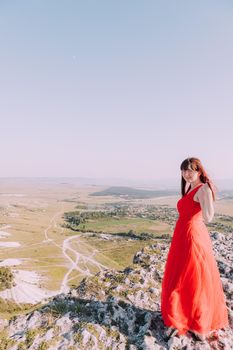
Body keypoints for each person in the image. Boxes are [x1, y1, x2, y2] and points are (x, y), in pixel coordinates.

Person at [161, 157, 229, 341]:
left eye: (190, 170)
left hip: (193, 236)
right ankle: (184, 315)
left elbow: (208, 217)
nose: (186, 174)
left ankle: (198, 322)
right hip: (183, 235)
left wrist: (208, 195)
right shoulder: (189, 186)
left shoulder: (202, 188)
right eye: (184, 170)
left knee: (194, 277)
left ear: (199, 171)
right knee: (183, 276)